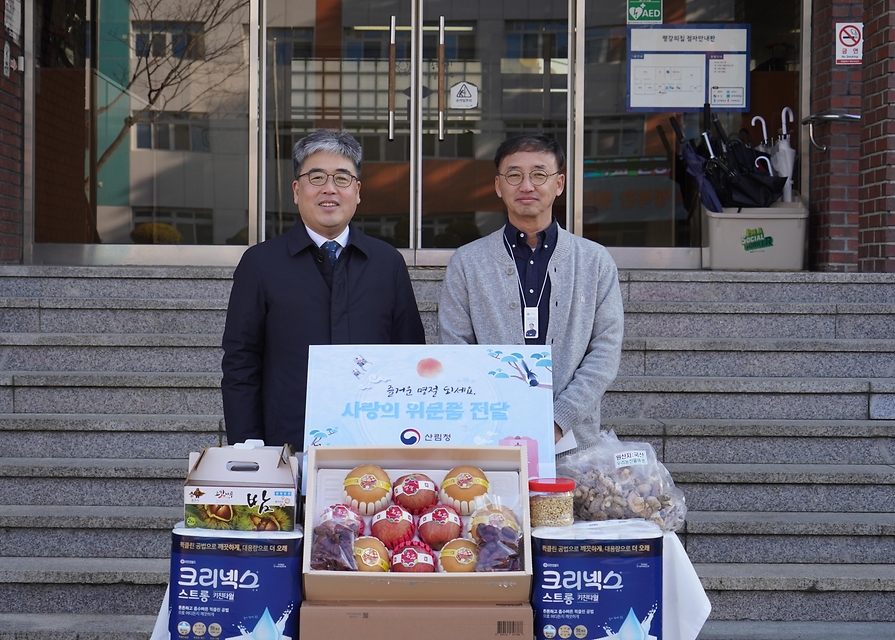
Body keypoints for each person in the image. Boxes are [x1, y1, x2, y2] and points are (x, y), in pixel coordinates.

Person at [221, 129, 425, 447]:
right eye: (316, 177)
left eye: (342, 178)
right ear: (296, 190)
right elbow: (241, 361)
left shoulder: (387, 263)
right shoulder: (261, 264)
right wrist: (249, 444)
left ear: (357, 191)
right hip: (287, 441)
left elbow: (409, 356)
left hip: (372, 439)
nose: (329, 189)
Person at [438, 134, 623, 452]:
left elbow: (605, 352)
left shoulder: (594, 261)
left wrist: (557, 421)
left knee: (566, 505)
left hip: (573, 442)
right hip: (491, 437)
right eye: (514, 175)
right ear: (498, 186)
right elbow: (456, 350)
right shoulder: (468, 262)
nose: (526, 186)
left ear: (559, 183)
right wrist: (499, 418)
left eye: (539, 174)